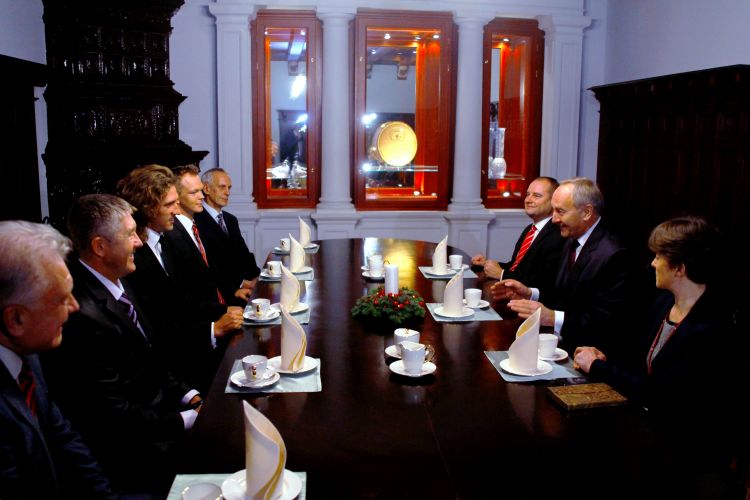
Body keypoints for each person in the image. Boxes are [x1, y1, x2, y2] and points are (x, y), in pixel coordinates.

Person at [42, 194, 203, 497]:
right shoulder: (82, 314)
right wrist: (186, 420)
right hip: (137, 458)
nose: (139, 242)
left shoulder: (120, 278)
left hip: (163, 422)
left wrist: (190, 395)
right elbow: (114, 414)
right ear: (100, 247)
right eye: (130, 234)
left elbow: (154, 357)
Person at [574, 216, 744, 499]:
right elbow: (641, 359)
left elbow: (659, 393)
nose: (652, 263)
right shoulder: (664, 302)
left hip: (687, 451)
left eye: (658, 256)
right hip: (651, 428)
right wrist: (605, 358)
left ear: (679, 268)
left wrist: (599, 367)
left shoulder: (711, 327)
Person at [0, 221, 116, 499]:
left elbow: (65, 440)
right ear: (16, 319)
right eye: (61, 300)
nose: (75, 307)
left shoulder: (28, 354)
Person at [117, 165, 243, 392]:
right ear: (147, 208)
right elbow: (156, 326)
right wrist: (212, 329)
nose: (177, 210)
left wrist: (224, 311)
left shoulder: (166, 239)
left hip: (189, 352)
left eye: (176, 202)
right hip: (172, 371)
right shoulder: (133, 256)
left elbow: (185, 300)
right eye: (169, 205)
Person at [491, 177, 630, 353]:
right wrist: (530, 293)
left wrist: (553, 317)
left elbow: (607, 322)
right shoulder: (571, 237)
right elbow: (563, 295)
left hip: (589, 353)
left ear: (587, 212)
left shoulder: (615, 254)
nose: (554, 219)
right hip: (558, 344)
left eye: (560, 211)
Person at [472, 177, 565, 292]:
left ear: (553, 201)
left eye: (536, 196)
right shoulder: (530, 229)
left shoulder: (558, 234)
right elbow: (516, 267)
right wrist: (486, 264)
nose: (528, 200)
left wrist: (502, 274)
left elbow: (544, 282)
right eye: (527, 194)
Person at [195, 167, 260, 306]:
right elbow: (211, 267)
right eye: (222, 187)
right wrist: (241, 284)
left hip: (245, 287)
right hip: (224, 295)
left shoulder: (231, 220)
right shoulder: (196, 221)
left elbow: (244, 255)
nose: (227, 192)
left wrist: (257, 277)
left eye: (229, 188)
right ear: (206, 189)